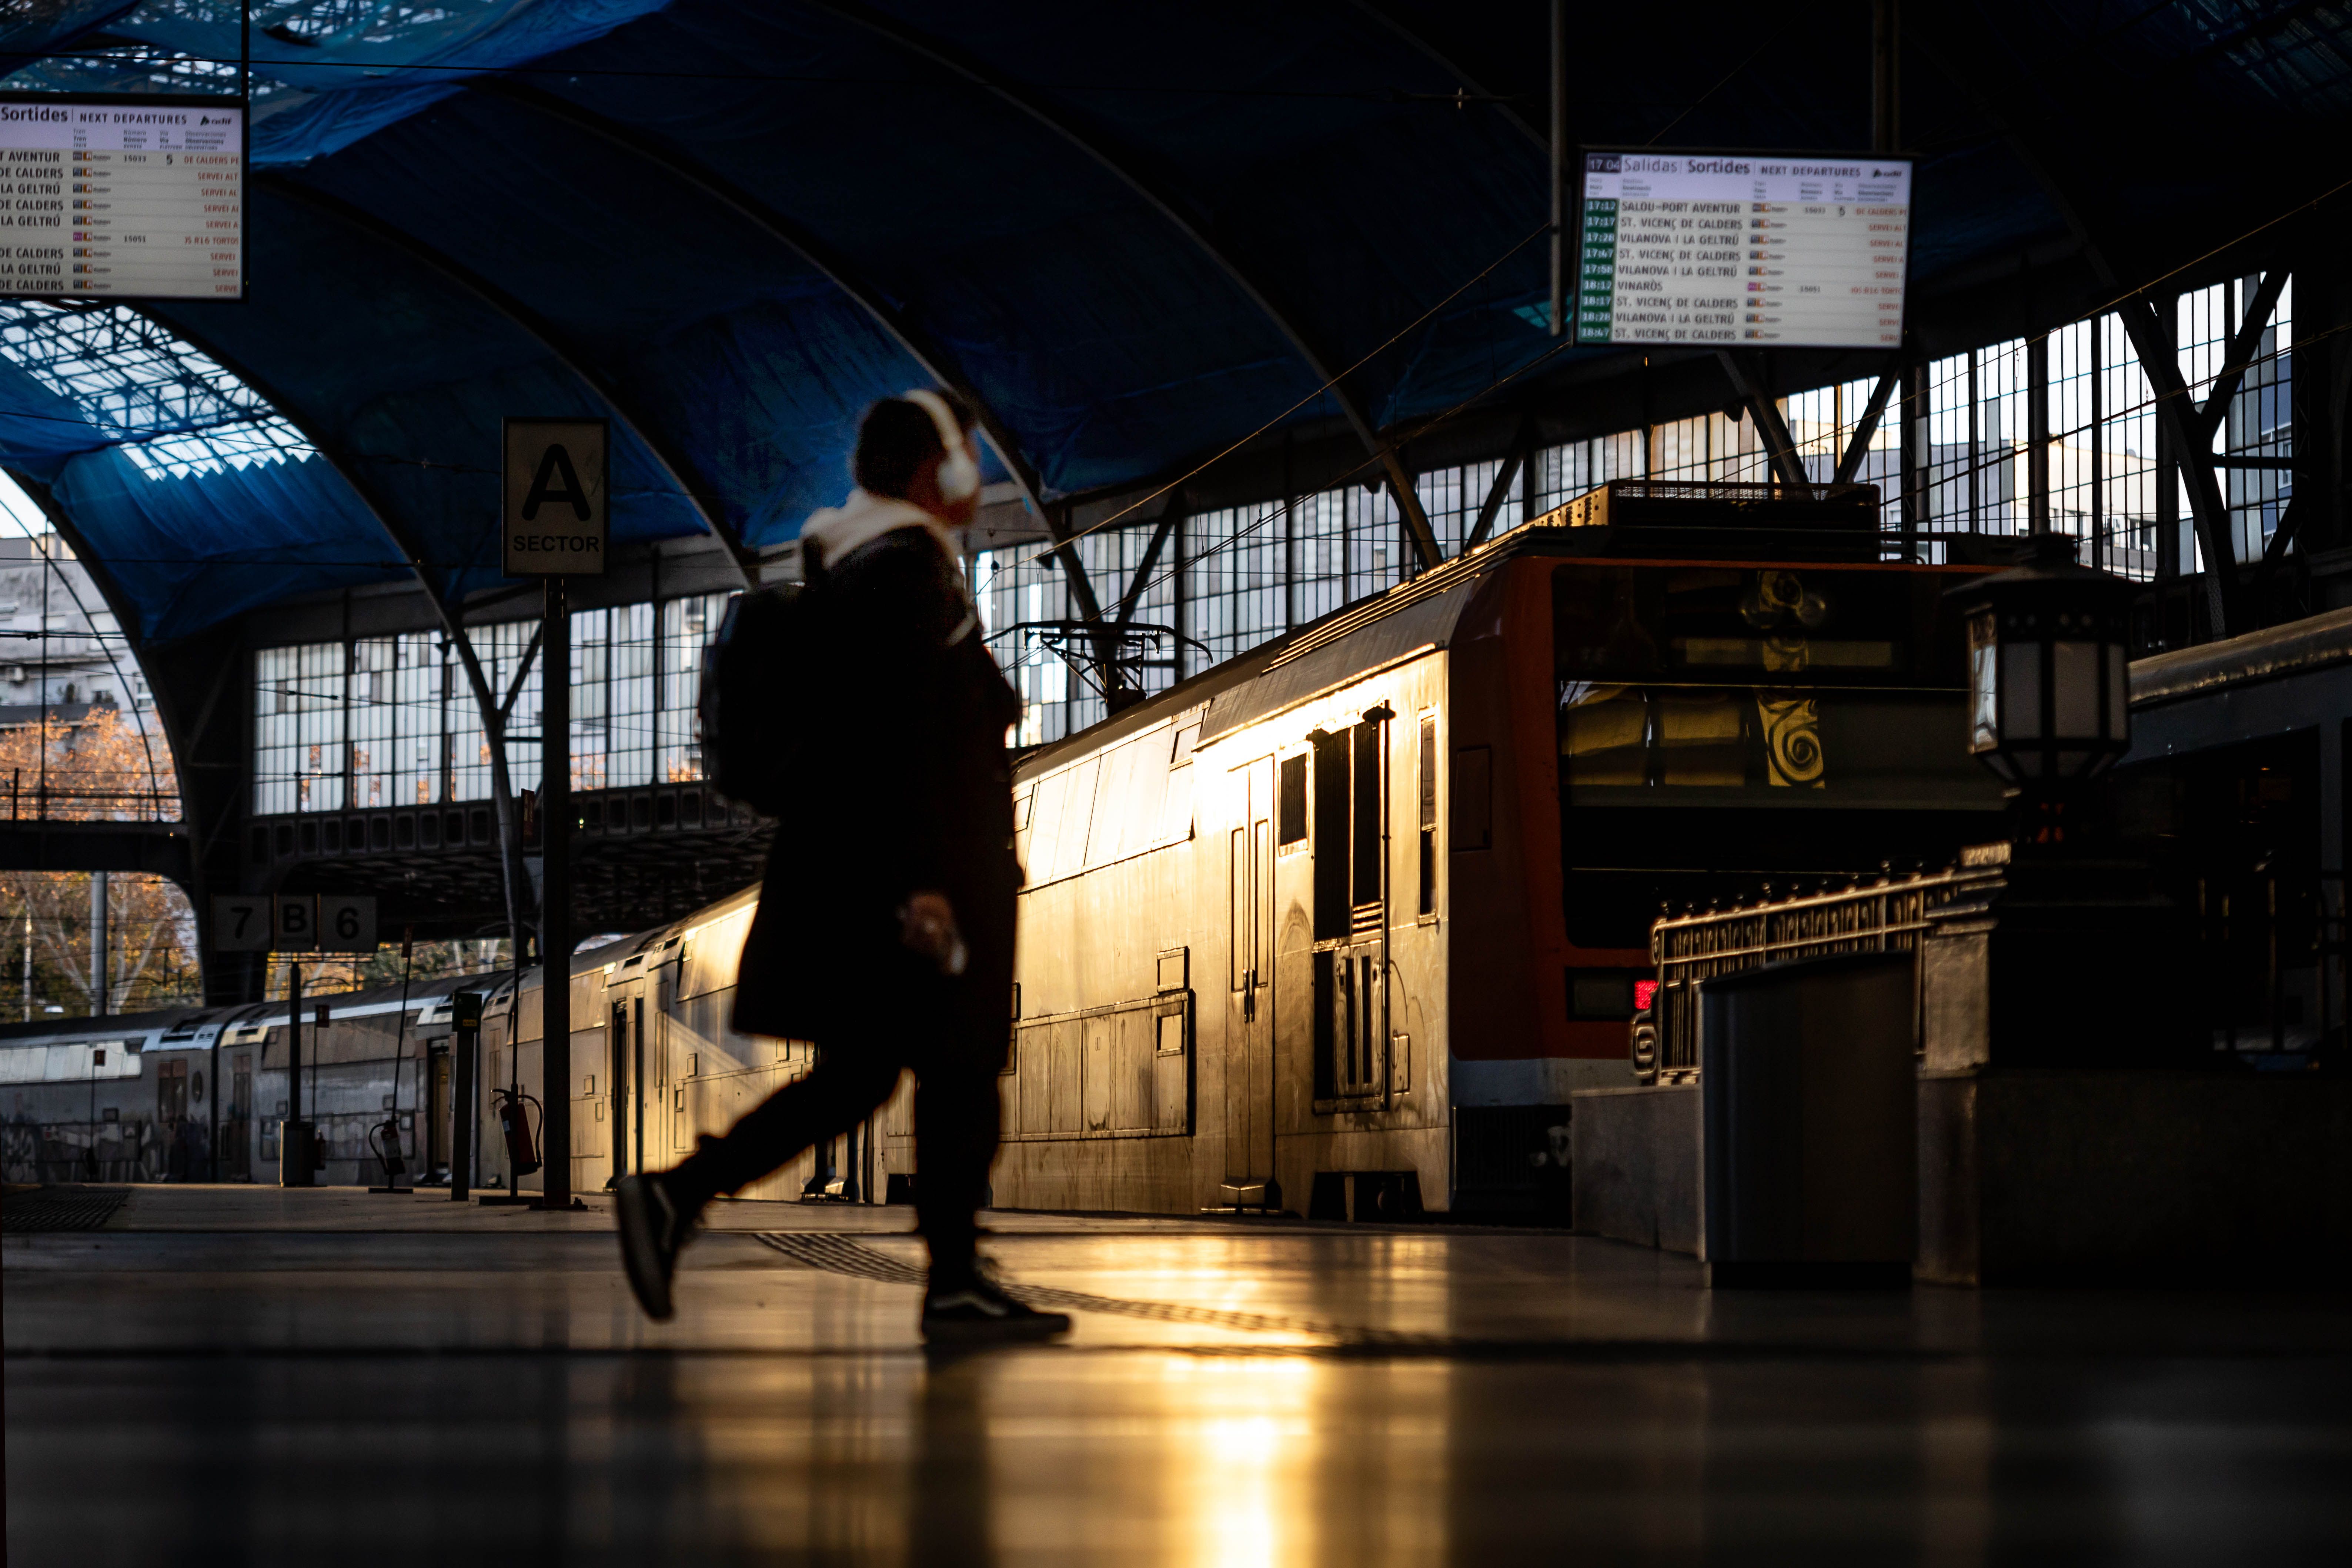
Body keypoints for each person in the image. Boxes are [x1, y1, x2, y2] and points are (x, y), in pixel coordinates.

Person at [615, 389, 1069, 1343]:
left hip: (880, 871)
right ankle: (949, 1279)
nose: (978, 482)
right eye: (967, 460)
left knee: (867, 1076)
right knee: (953, 1068)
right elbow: (897, 747)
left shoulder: (876, 568)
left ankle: (680, 1198)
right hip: (914, 880)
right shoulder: (906, 576)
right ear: (928, 471)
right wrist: (927, 887)